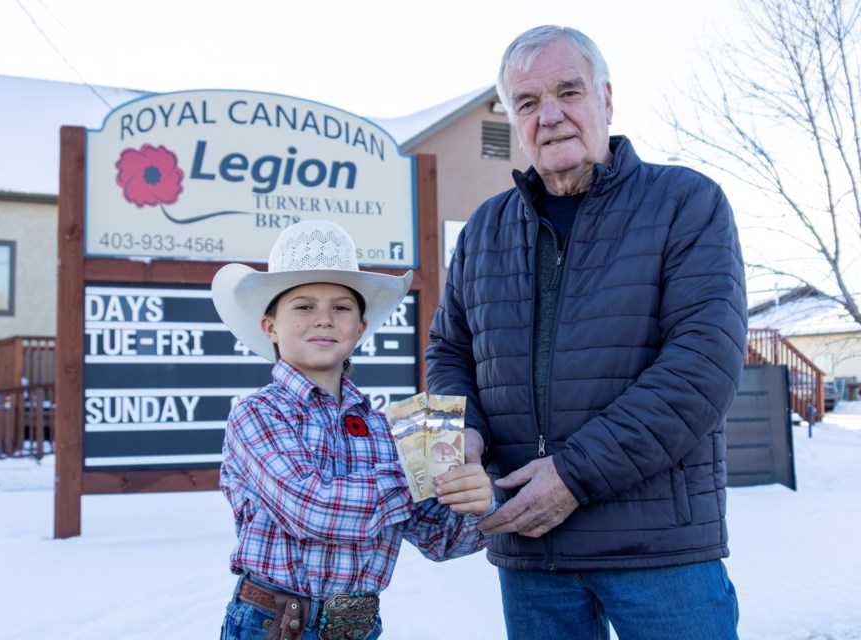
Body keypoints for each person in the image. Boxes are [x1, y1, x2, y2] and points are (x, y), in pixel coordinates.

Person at [425, 25, 748, 640]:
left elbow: (701, 367)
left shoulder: (686, 204)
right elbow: (450, 351)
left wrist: (574, 475)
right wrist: (460, 429)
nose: (549, 116)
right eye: (526, 102)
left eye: (567, 91)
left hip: (658, 554)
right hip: (531, 553)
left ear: (606, 97)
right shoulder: (483, 232)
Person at [211, 220, 494, 640]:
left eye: (341, 308)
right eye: (303, 306)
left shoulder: (385, 428)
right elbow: (313, 509)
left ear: (360, 329)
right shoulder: (258, 414)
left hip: (357, 627)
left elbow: (440, 540)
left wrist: (473, 504)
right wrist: (419, 472)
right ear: (270, 327)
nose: (323, 320)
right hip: (274, 625)